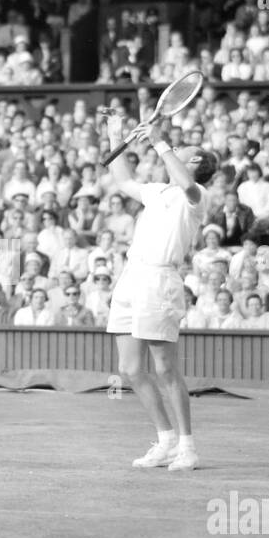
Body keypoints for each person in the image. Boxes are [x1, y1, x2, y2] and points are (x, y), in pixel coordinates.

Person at [103, 108, 218, 472]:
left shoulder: (196, 194)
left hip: (159, 281)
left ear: (194, 162)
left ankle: (188, 447)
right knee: (130, 368)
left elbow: (186, 184)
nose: (177, 150)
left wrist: (158, 140)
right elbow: (123, 180)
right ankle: (166, 441)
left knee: (165, 368)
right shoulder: (157, 191)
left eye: (184, 150)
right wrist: (114, 133)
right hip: (131, 278)